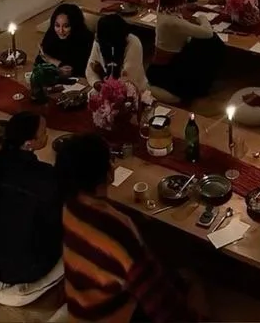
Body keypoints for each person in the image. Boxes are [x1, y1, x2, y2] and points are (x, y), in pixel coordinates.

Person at [58, 133, 200, 323]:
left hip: (82, 310)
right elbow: (160, 303)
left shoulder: (70, 206)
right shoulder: (116, 228)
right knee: (192, 283)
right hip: (112, 315)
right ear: (108, 172)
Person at [0, 113, 62, 297]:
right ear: (29, 143)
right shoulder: (43, 175)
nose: (47, 135)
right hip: (27, 267)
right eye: (44, 132)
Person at [147, 0, 224, 101]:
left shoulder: (161, 7)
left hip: (164, 63)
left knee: (200, 41)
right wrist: (202, 18)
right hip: (164, 71)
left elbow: (178, 16)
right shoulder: (172, 22)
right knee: (212, 41)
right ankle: (203, 83)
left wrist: (188, 9)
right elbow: (208, 32)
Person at [85, 13, 150, 97]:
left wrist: (106, 86)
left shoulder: (133, 42)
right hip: (105, 88)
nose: (96, 37)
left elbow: (128, 78)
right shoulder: (99, 41)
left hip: (132, 91)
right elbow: (90, 70)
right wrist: (97, 83)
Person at [37, 3, 93, 78]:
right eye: (57, 25)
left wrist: (52, 61)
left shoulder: (86, 39)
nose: (60, 31)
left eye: (66, 26)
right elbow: (40, 60)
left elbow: (79, 70)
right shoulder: (52, 34)